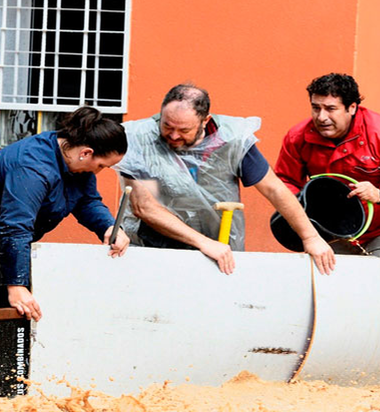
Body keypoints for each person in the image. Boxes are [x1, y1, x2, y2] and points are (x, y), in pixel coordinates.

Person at [0, 107, 130, 321]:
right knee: (17, 308)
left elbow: (86, 200)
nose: (98, 172)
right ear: (86, 153)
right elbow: (15, 227)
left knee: (33, 301)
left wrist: (109, 226)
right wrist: (16, 284)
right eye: (101, 165)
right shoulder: (32, 168)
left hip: (3, 234)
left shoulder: (74, 158)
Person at [116, 84, 336, 275]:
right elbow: (144, 207)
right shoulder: (139, 138)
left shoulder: (232, 139)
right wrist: (203, 243)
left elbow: (274, 189)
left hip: (218, 248)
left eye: (183, 130)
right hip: (151, 246)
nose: (173, 135)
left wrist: (310, 237)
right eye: (167, 126)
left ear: (205, 121)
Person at [274, 73, 380, 259]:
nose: (321, 117)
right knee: (332, 286)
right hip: (331, 229)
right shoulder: (298, 137)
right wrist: (303, 206)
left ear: (352, 108)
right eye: (315, 108)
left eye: (330, 109)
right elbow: (285, 180)